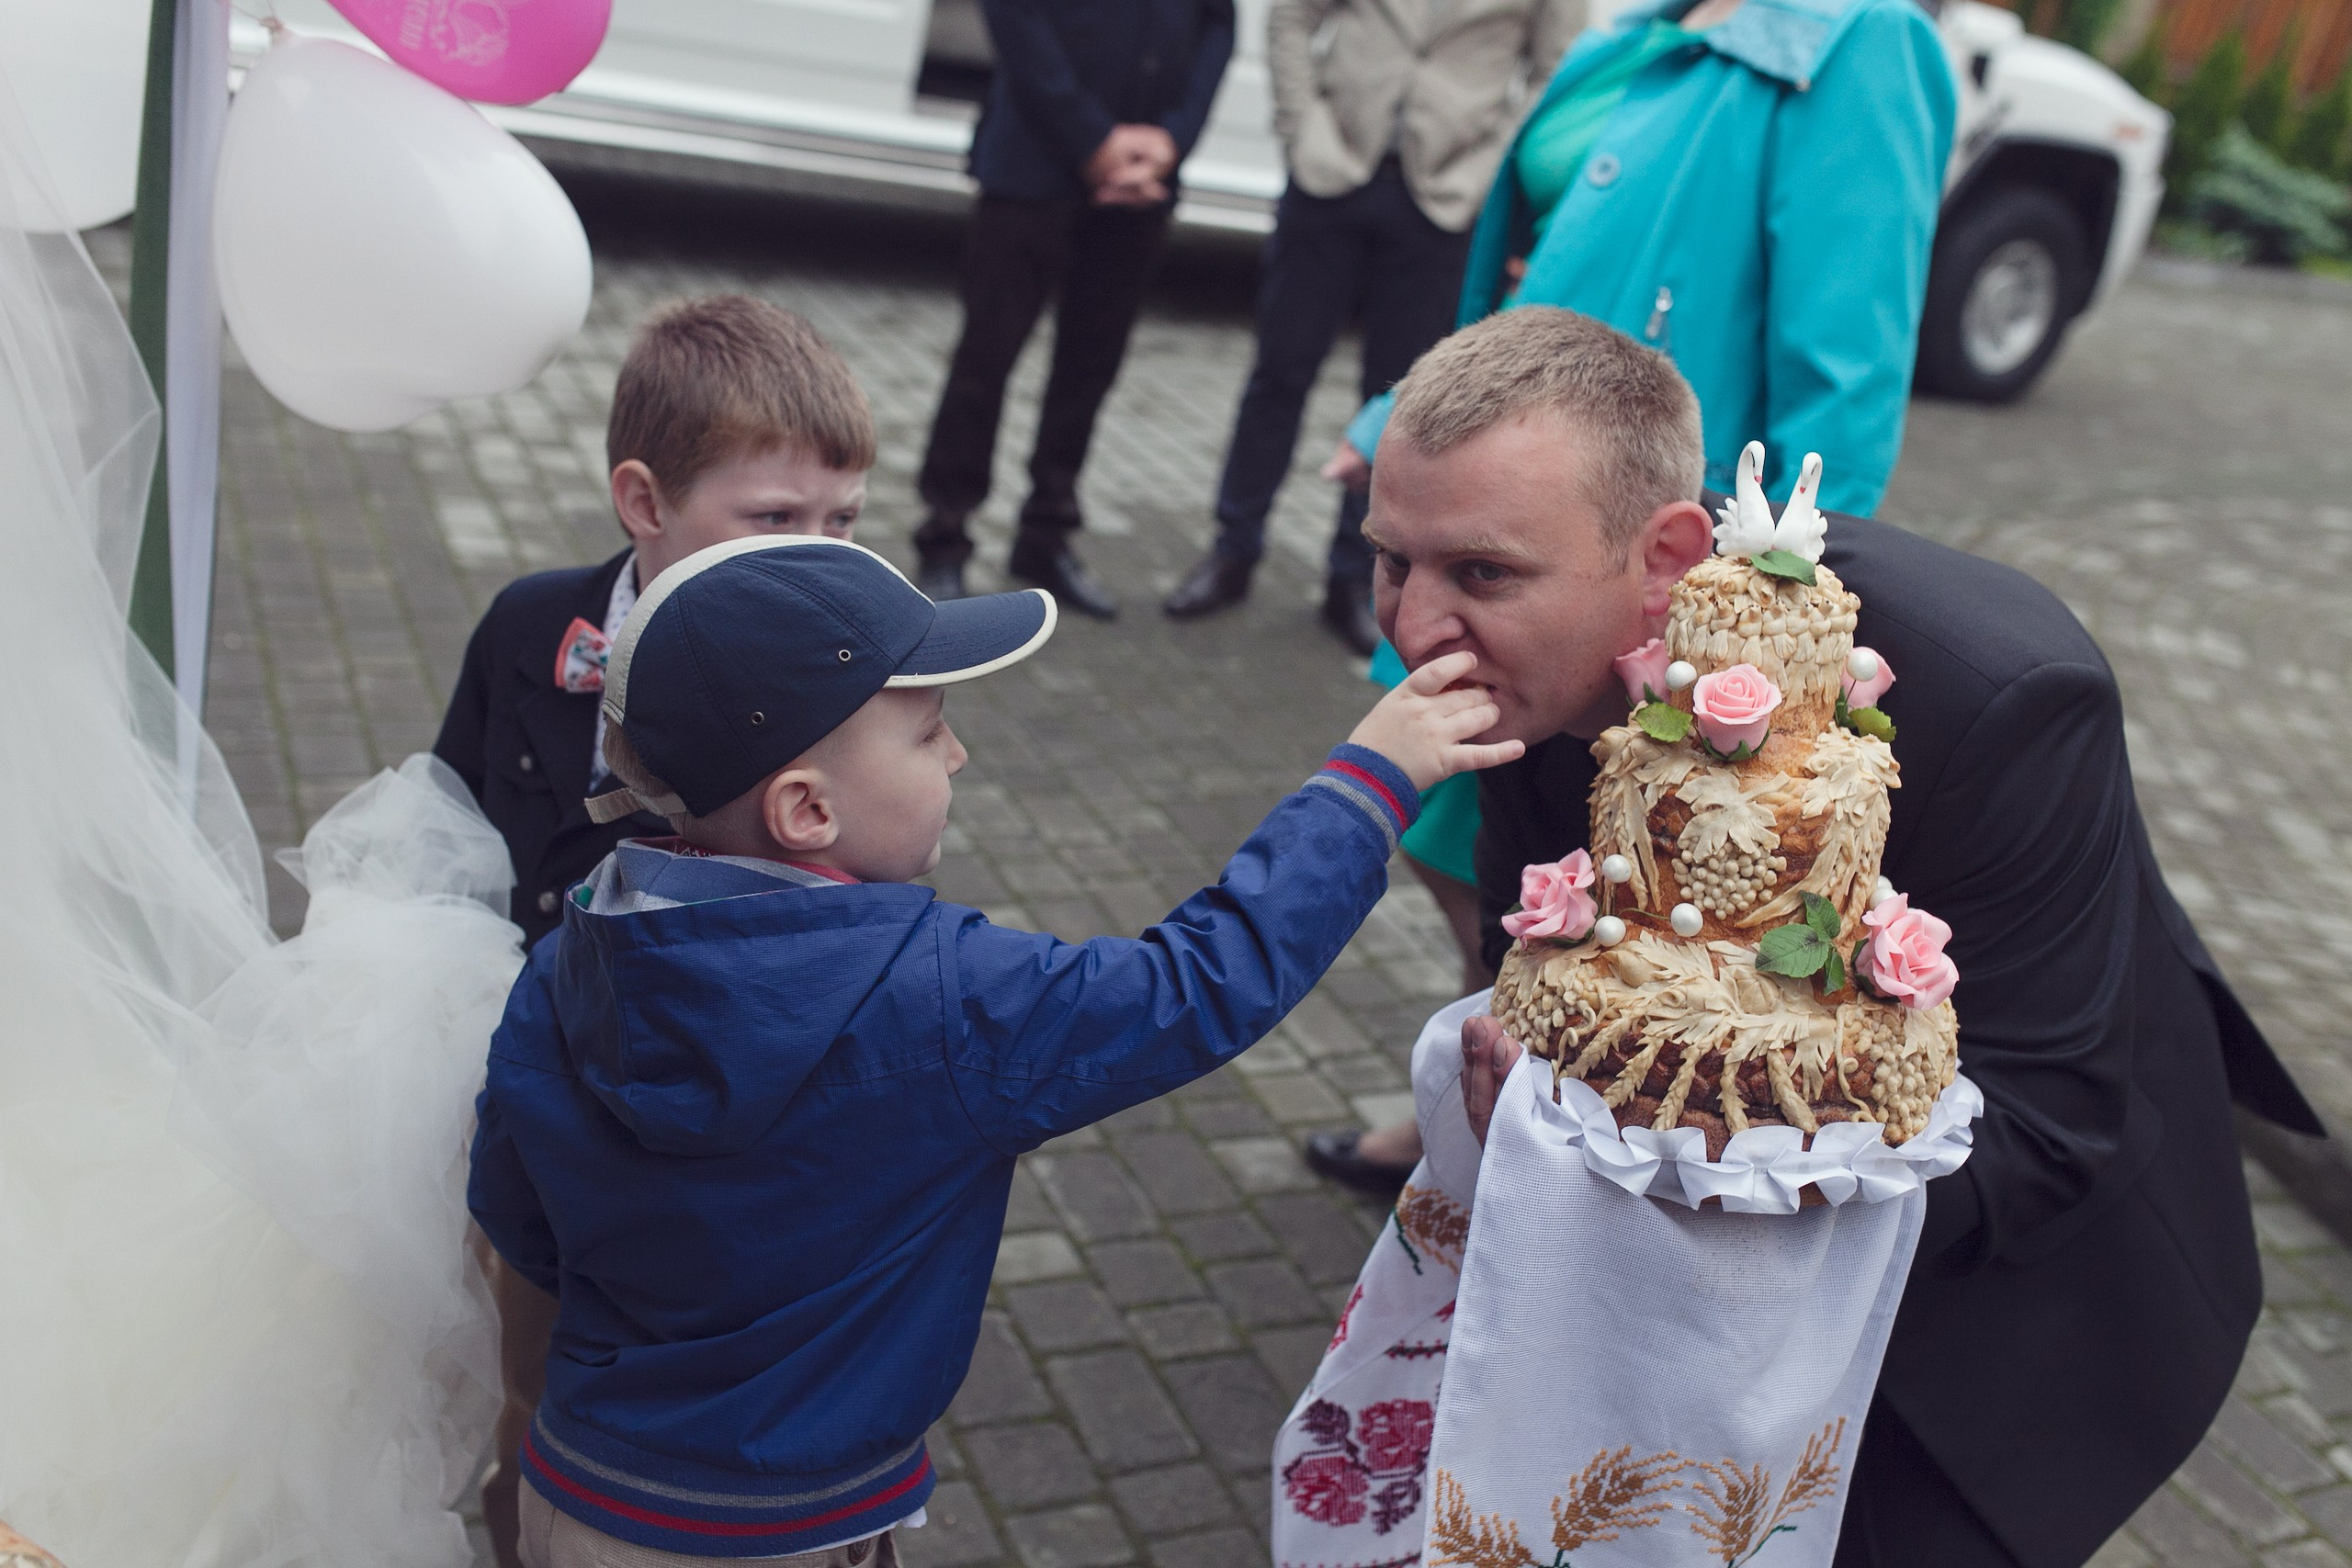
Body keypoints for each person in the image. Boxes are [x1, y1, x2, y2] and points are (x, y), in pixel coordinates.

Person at [1360, 305, 2322, 1567]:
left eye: (1480, 573)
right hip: (1664, 1343)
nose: (1410, 628)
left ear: (1668, 555)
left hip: (1996, 1333)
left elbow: (2051, 1122)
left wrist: (1704, 1185)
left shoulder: (2001, 693)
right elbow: (1543, 963)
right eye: (1389, 560)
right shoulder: (1526, 676)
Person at [467, 536, 1521, 1562]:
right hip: (783, 1531)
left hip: (583, 1492)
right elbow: (1196, 982)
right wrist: (1369, 782)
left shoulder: (560, 966)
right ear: (805, 809)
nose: (960, 752)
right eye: (929, 733)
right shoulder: (936, 993)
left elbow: (522, 1225)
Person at [1311, 0, 1956, 1190]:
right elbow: (1545, 267)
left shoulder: (1857, 39)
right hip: (1500, 512)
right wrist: (1396, 421)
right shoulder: (1638, 32)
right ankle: (1498, 1049)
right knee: (1460, 812)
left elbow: (1848, 365)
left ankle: (1531, 1099)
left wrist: (1779, 585)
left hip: (1642, 548)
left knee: (1588, 836)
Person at [431, 293, 876, 1565]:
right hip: (542, 1102)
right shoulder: (530, 625)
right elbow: (457, 817)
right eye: (775, 517)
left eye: (843, 520)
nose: (819, 549)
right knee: (529, 1373)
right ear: (644, 501)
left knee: (684, 1410)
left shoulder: (843, 660)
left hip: (720, 1125)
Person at [1159, 0, 1581, 653]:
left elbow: (1555, 70)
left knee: (1403, 403)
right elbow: (1291, 18)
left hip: (1443, 197)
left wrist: (1486, 172)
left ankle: (1353, 579)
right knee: (1279, 372)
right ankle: (1232, 551)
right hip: (1331, 173)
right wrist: (1302, 130)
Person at [911, 0, 1235, 617]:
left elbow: (1218, 25)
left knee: (1089, 370)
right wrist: (1094, 140)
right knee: (986, 359)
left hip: (1145, 181)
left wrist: (1174, 139)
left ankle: (1045, 537)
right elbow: (1015, 17)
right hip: (1032, 162)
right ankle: (944, 538)